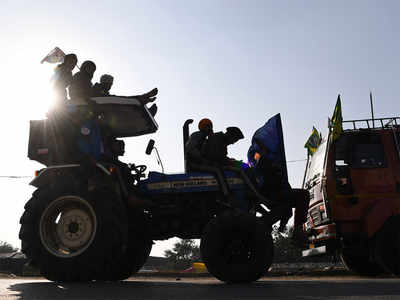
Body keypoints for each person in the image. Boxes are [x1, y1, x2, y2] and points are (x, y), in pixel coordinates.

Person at [252, 138, 310, 245]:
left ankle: (285, 230)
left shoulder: (268, 161)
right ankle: (297, 230)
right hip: (272, 194)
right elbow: (269, 179)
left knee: (288, 210)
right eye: (265, 147)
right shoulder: (263, 161)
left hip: (276, 193)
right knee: (303, 195)